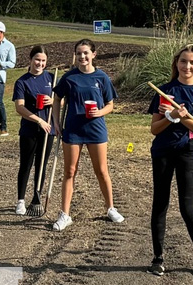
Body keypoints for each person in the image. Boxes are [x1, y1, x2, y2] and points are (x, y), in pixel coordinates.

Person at [147, 44, 193, 280]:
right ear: (176, 63)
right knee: (160, 203)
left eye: (192, 63)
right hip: (162, 152)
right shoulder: (165, 91)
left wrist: (184, 118)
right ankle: (158, 259)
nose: (187, 66)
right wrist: (170, 116)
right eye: (183, 61)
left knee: (188, 208)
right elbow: (154, 129)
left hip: (188, 152)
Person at [52, 39, 124, 231]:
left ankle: (110, 208)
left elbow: (110, 104)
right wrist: (57, 123)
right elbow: (57, 97)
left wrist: (99, 112)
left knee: (101, 171)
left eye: (85, 53)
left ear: (93, 54)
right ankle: (65, 214)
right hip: (73, 130)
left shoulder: (102, 77)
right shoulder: (69, 78)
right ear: (75, 56)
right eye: (78, 53)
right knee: (69, 171)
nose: (82, 57)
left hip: (96, 129)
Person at [12, 46, 55, 215]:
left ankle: (36, 196)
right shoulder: (22, 82)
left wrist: (53, 101)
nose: (40, 63)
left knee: (41, 165)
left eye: (43, 61)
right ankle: (20, 200)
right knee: (26, 164)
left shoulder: (52, 78)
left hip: (48, 129)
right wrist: (38, 120)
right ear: (30, 60)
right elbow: (19, 108)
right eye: (37, 60)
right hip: (29, 129)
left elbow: (63, 101)